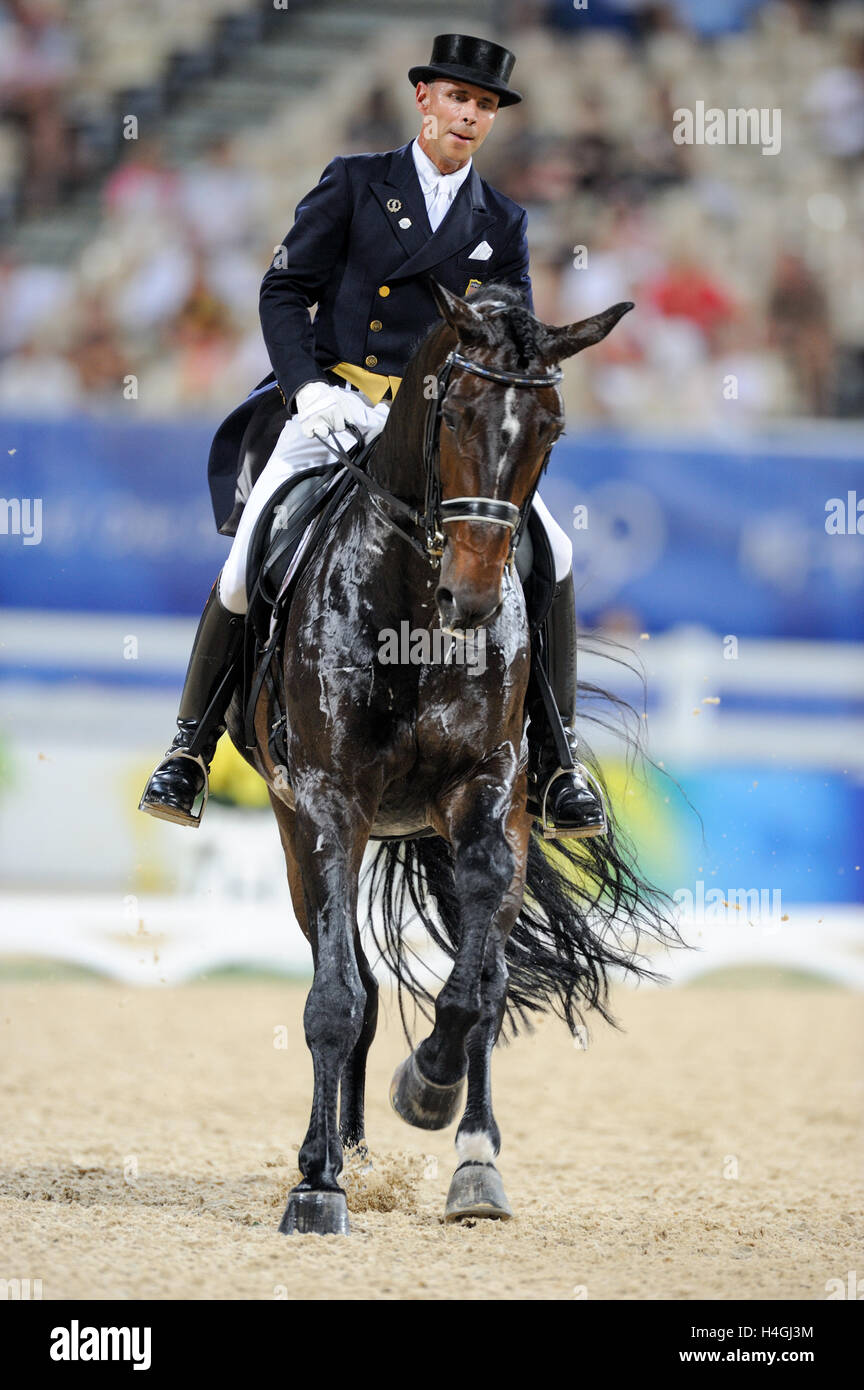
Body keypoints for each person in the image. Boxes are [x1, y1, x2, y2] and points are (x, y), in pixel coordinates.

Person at [139, 33, 607, 840]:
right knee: (250, 556)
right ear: (424, 98)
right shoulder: (356, 183)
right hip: (338, 407)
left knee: (553, 553)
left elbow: (514, 336)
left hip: (445, 434)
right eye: (458, 98)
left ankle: (559, 761)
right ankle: (190, 749)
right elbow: (286, 290)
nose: (469, 115)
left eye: (486, 105)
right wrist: (310, 390)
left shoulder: (503, 221)